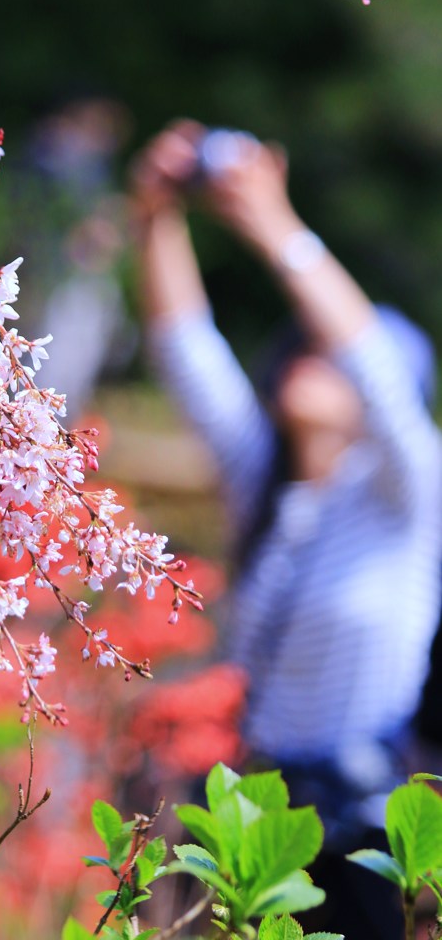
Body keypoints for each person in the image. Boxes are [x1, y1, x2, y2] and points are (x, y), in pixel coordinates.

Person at [130, 120, 442, 939]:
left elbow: (374, 364)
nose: (317, 354)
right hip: (257, 814)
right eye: (305, 346)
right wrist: (156, 214)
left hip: (366, 823)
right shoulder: (270, 490)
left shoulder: (407, 493)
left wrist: (271, 223)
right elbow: (185, 352)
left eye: (332, 351)